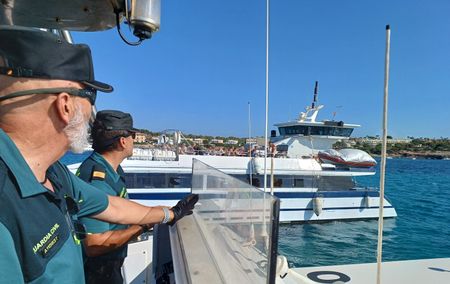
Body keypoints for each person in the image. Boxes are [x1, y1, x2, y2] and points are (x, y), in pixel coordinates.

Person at [0, 26, 198, 284]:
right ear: (66, 105)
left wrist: (170, 214)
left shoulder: (54, 172)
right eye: (89, 95)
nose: (92, 114)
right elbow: (96, 241)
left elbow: (111, 206)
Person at [76, 110, 146, 284]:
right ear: (123, 141)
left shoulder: (110, 169)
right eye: (132, 135)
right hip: (99, 272)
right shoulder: (98, 181)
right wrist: (143, 226)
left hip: (109, 266)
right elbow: (94, 244)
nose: (134, 140)